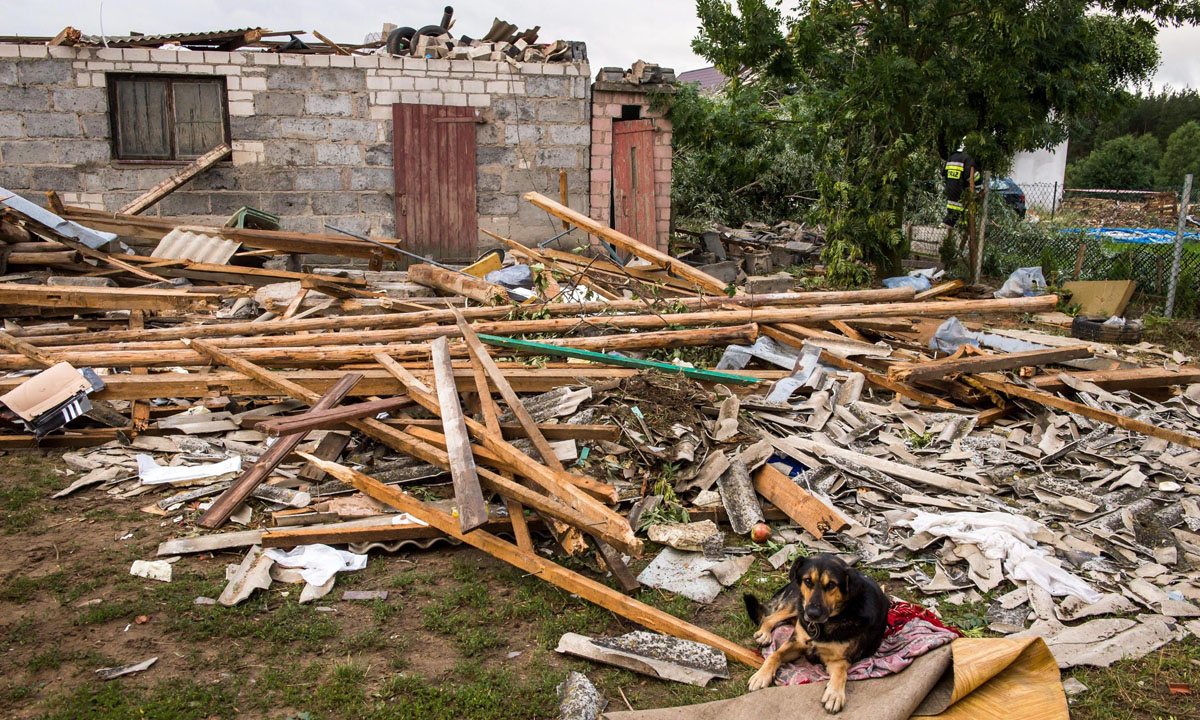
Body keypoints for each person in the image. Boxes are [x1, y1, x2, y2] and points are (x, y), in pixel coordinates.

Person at [942, 150, 975, 227]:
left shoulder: (951, 158)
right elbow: (971, 176)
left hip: (950, 191)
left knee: (952, 214)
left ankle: (942, 230)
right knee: (961, 215)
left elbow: (943, 174)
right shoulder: (967, 159)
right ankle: (961, 230)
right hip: (961, 192)